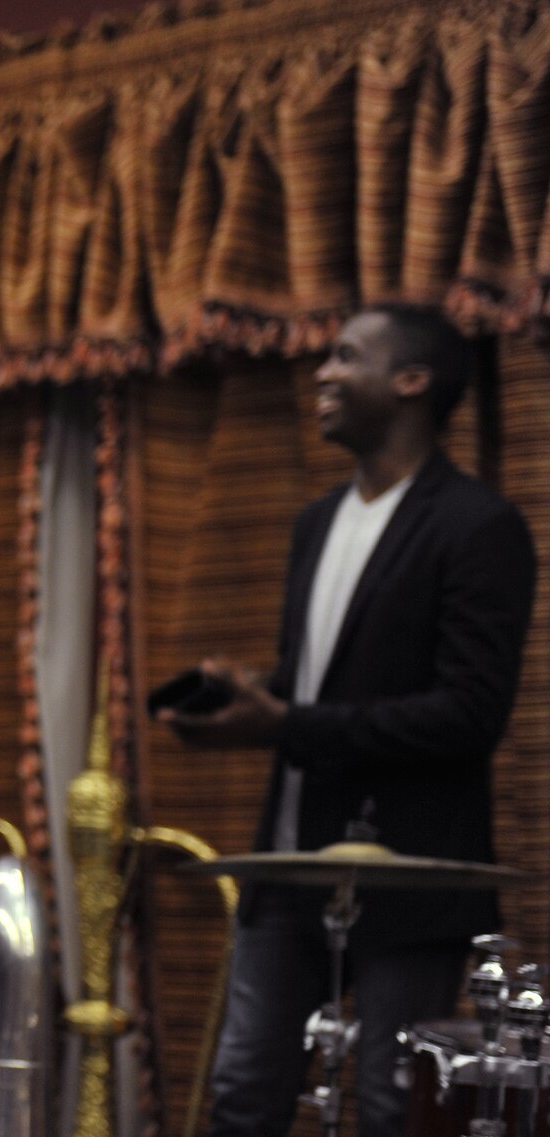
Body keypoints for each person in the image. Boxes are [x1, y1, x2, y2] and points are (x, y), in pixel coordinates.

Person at [159, 302, 537, 1137]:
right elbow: (320, 689)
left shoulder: (480, 525)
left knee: (393, 1110)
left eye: (344, 356)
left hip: (409, 876)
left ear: (411, 380)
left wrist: (284, 720)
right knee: (242, 1098)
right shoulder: (317, 522)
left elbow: (470, 713)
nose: (322, 374)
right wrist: (246, 700)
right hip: (290, 868)